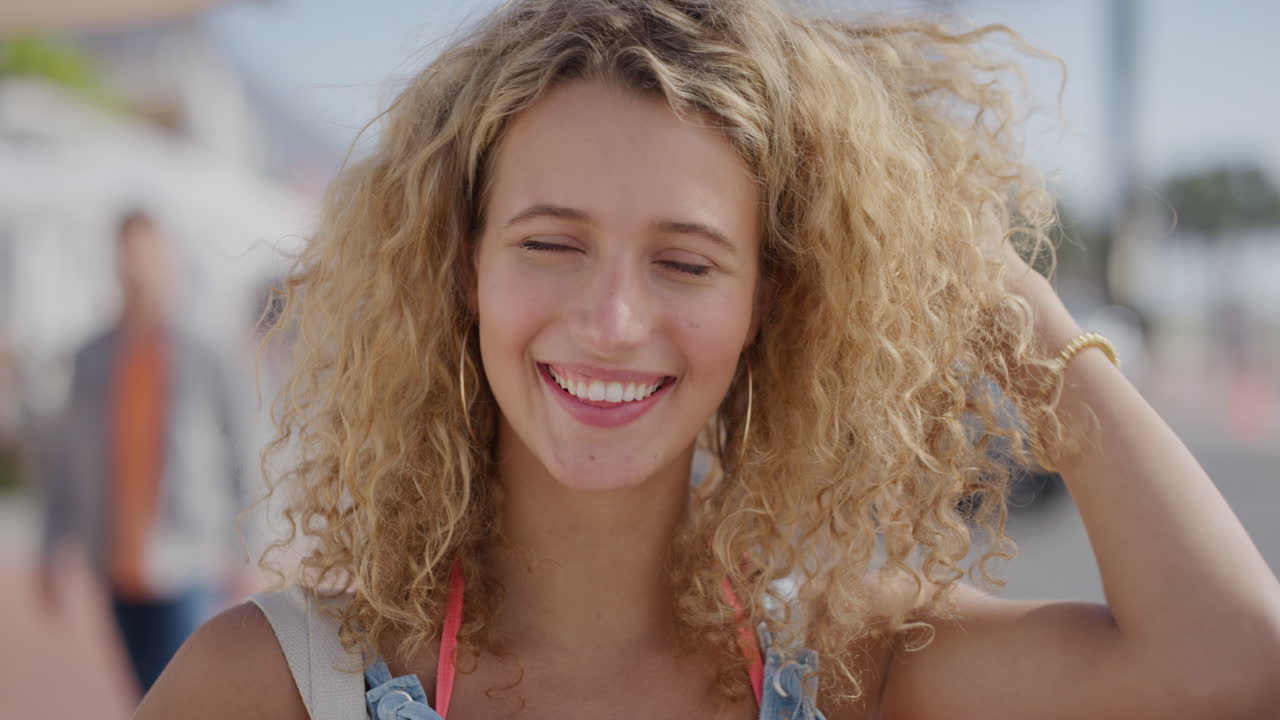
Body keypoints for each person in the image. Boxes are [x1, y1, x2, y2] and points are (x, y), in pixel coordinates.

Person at [139, 1, 1280, 718]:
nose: (612, 317)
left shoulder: (851, 662)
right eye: (549, 244)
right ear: (460, 272)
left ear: (765, 305)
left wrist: (1009, 305)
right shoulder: (270, 683)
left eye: (685, 263)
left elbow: (1230, 667)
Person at [39, 209, 250, 695]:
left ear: (169, 260)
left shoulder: (203, 352)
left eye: (146, 252)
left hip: (187, 561)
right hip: (114, 562)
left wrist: (247, 547)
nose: (135, 265)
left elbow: (242, 450)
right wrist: (53, 547)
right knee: (145, 694)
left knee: (180, 700)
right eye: (126, 253)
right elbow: (66, 462)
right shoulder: (91, 356)